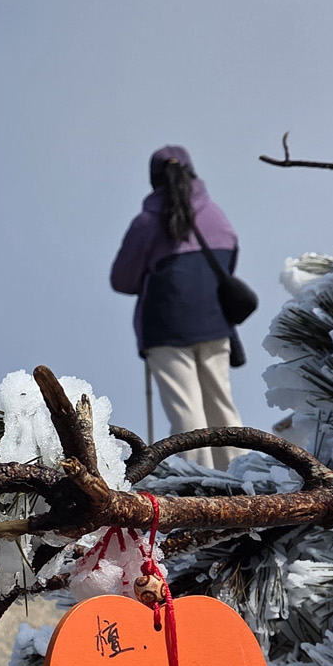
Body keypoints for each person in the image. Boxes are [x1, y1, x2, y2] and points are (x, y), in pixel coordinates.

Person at [110, 144, 244, 469]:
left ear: (153, 179)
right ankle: (245, 483)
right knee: (222, 405)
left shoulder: (146, 222)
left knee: (186, 411)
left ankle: (197, 488)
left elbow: (122, 280)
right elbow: (230, 261)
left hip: (164, 325)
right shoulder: (215, 214)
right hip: (215, 320)